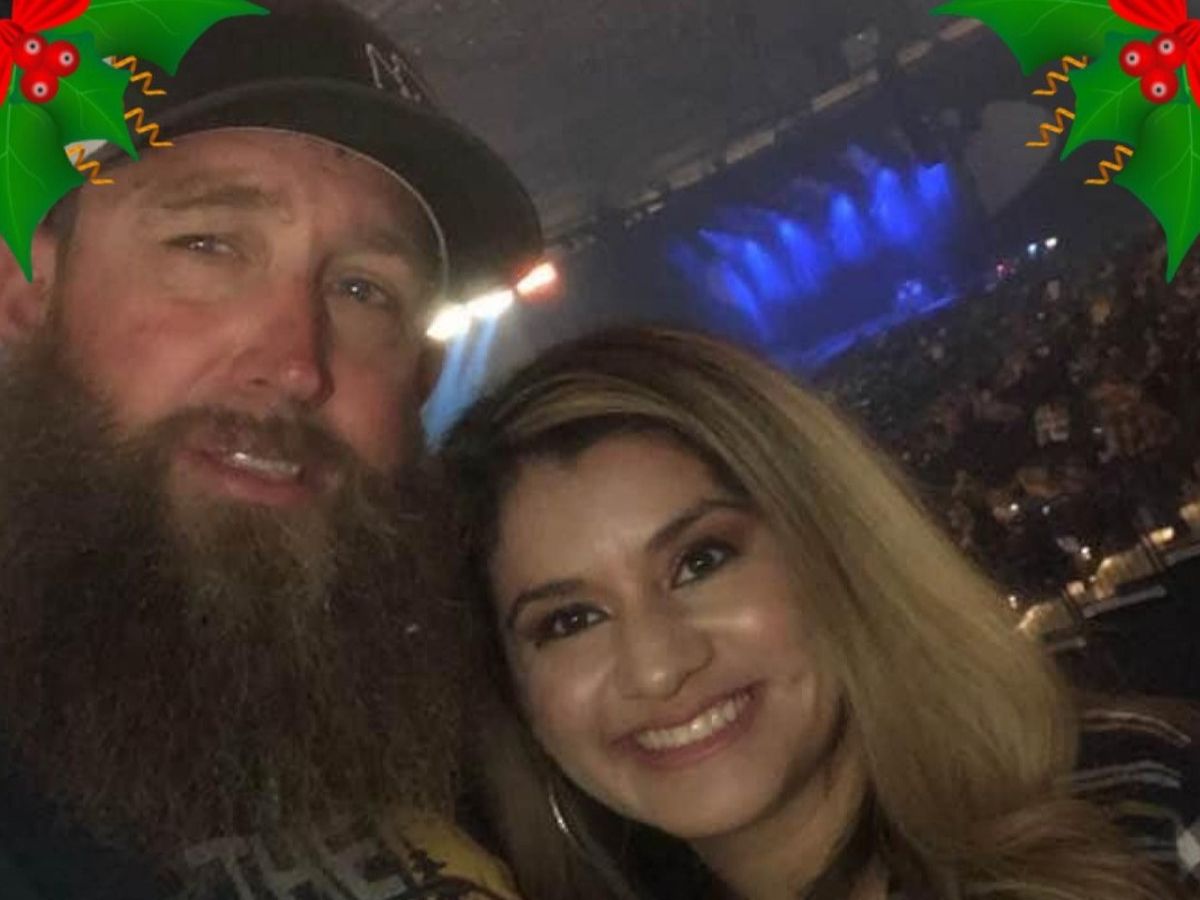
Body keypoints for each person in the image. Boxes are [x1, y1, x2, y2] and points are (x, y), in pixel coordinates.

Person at [0, 0, 541, 896]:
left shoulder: (535, 726)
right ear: (26, 294)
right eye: (208, 245)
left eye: (365, 290)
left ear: (422, 376)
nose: (295, 364)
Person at [443, 326, 1200, 900]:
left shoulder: (1144, 814)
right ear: (519, 699)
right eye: (569, 620)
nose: (659, 666)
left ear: (830, 549)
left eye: (701, 561)